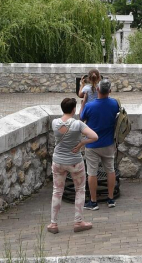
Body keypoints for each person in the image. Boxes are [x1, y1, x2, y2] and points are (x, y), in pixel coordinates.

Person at [48, 97, 97, 234]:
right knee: (80, 190)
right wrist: (81, 143)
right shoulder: (78, 125)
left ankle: (53, 224)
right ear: (74, 109)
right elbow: (94, 136)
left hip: (58, 161)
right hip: (75, 161)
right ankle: (78, 221)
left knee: (57, 191)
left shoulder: (54, 123)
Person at [80, 78, 119, 210]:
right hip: (108, 143)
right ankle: (110, 199)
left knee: (92, 172)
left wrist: (82, 104)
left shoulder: (90, 106)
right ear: (110, 91)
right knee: (110, 170)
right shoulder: (114, 104)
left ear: (97, 89)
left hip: (92, 144)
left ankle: (93, 201)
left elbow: (81, 118)